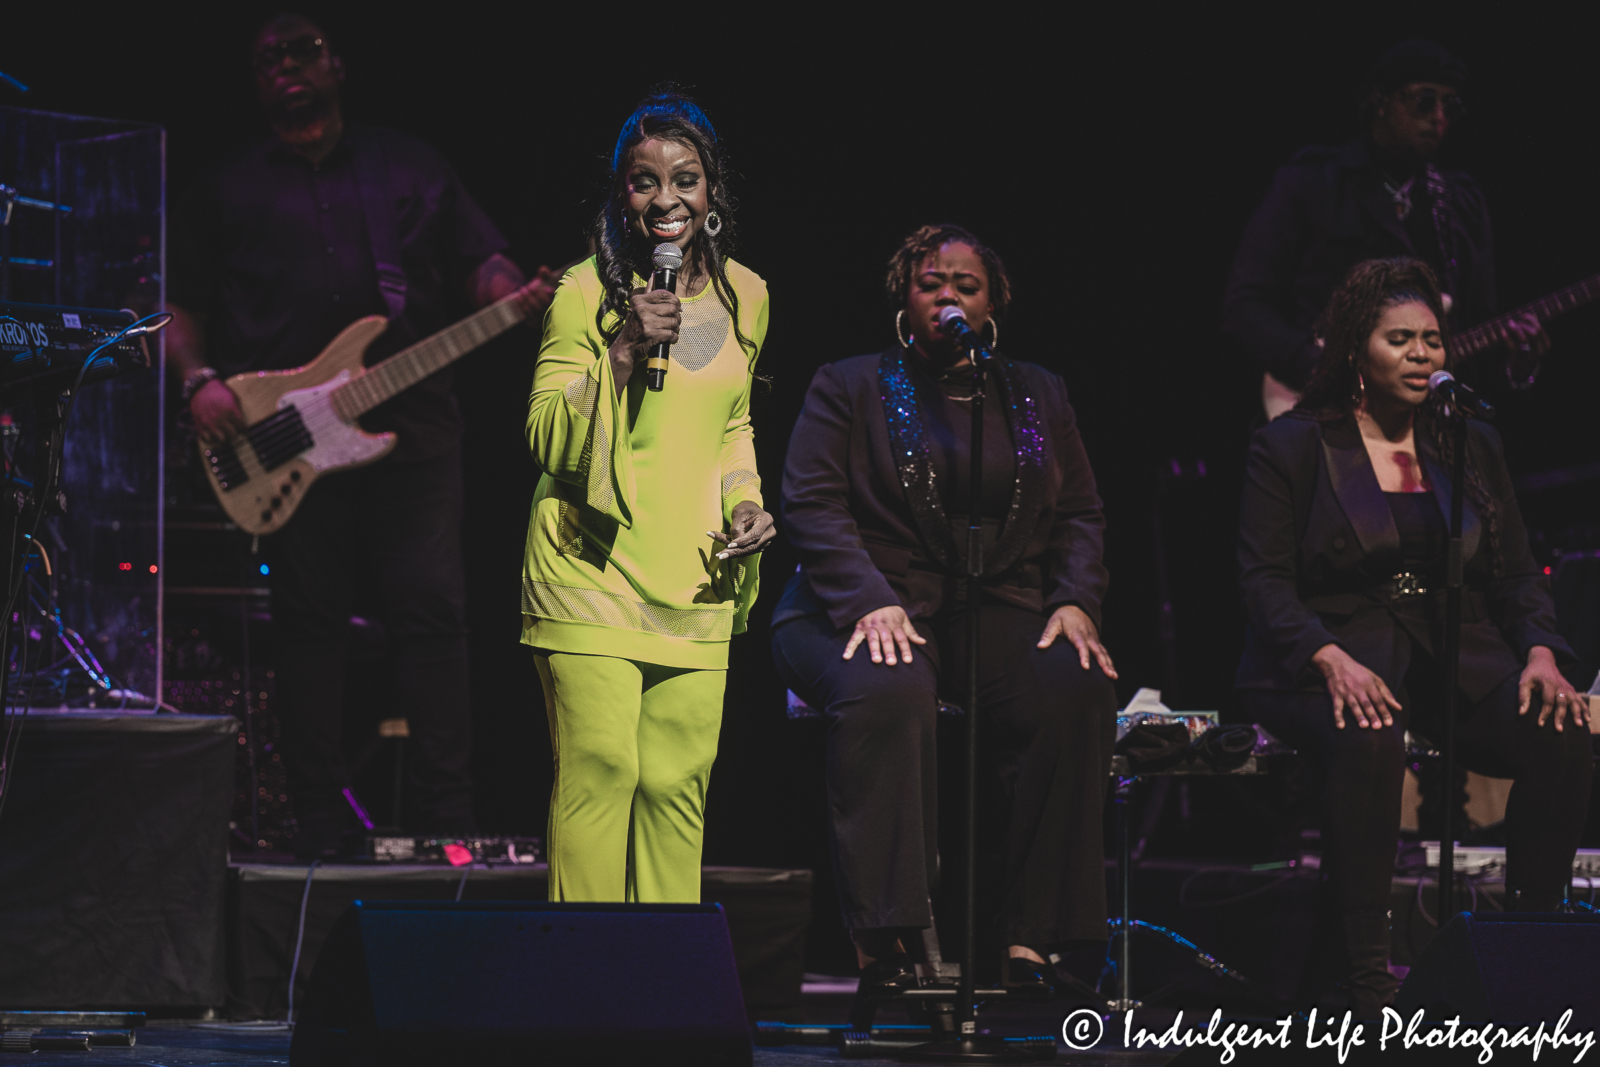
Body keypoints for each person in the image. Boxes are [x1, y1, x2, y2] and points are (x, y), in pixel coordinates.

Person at [167, 13, 558, 857]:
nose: (286, 68)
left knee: (433, 618)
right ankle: (315, 821)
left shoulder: (410, 165)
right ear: (255, 80)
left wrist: (514, 293)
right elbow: (179, 304)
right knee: (308, 629)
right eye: (267, 59)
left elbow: (478, 262)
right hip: (285, 444)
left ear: (338, 64)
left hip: (413, 436)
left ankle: (449, 824)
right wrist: (198, 380)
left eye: (302, 51)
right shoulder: (227, 187)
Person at [1235, 257, 1593, 1013]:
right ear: (1355, 352)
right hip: (1325, 651)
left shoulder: (1469, 441)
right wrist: (1328, 657)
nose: (1423, 354)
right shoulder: (1293, 445)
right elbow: (1264, 581)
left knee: (1559, 732)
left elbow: (1519, 574)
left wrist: (1540, 653)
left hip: (1450, 650)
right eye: (1400, 339)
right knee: (1373, 729)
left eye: (1432, 339)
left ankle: (1530, 947)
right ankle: (1365, 977)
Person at [771, 224, 1118, 995]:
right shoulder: (849, 382)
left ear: (992, 302)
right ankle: (886, 943)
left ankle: (1038, 945)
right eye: (933, 284)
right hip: (849, 602)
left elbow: (1082, 512)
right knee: (891, 690)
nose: (949, 297)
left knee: (1074, 686)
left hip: (989, 603)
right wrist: (870, 600)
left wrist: (1073, 600)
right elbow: (811, 503)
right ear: (905, 295)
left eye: (966, 285)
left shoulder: (1036, 391)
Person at [523, 91, 773, 903]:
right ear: (619, 195)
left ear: (712, 192)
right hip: (587, 564)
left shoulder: (747, 297)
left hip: (696, 573)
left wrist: (745, 502)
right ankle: (581, 986)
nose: (666, 199)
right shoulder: (582, 291)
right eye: (643, 182)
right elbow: (545, 435)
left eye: (685, 179)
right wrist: (625, 349)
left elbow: (731, 424)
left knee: (675, 783)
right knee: (602, 767)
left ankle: (665, 993)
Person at [1224, 40, 1542, 418]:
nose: (1438, 116)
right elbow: (1244, 305)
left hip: (1429, 425)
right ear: (1381, 101)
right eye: (1424, 101)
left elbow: (1476, 323)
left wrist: (1518, 366)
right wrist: (1317, 366)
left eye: (1450, 106)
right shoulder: (1312, 182)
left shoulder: (1461, 200)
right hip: (1328, 414)